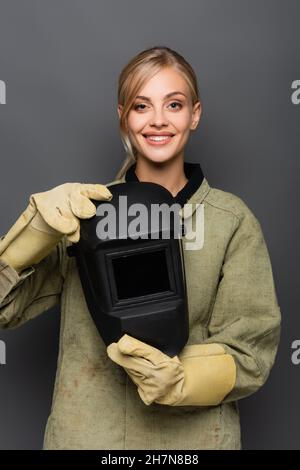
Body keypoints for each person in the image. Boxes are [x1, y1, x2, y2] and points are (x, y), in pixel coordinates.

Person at [0, 45, 281, 450]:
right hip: (86, 437)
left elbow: (252, 352)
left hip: (192, 445)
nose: (158, 120)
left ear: (195, 115)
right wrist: (34, 235)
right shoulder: (82, 213)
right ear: (123, 117)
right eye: (141, 106)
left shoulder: (230, 221)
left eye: (174, 104)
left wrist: (184, 379)